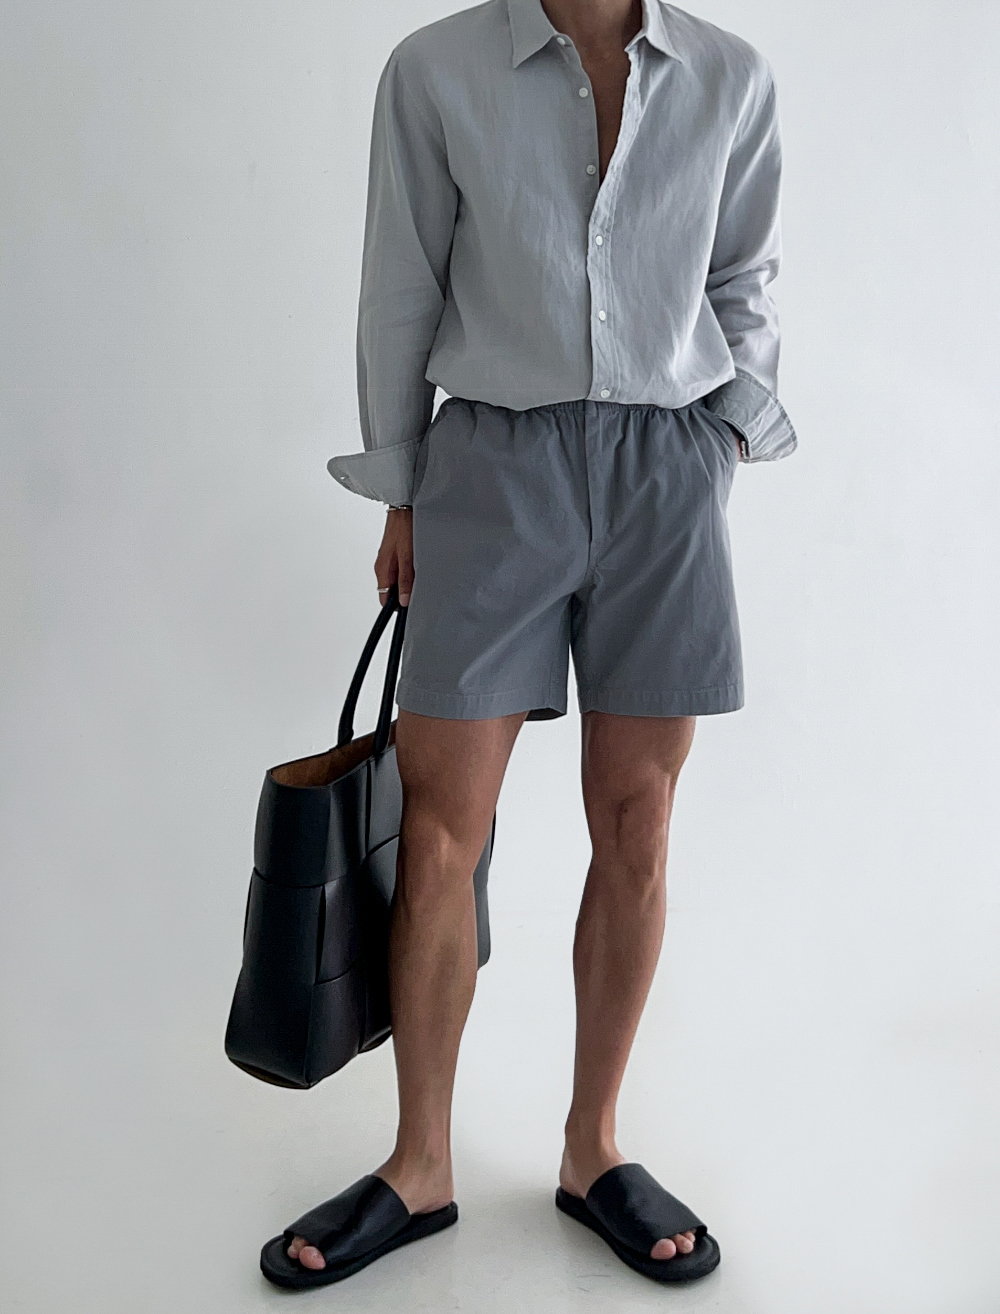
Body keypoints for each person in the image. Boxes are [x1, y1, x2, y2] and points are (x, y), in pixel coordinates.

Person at [260, 0, 797, 1290]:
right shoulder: (434, 68)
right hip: (489, 465)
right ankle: (421, 1164)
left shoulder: (730, 76)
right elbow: (403, 279)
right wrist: (401, 490)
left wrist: (720, 441)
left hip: (668, 467)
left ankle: (592, 1146)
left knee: (639, 819)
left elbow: (743, 278)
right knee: (442, 824)